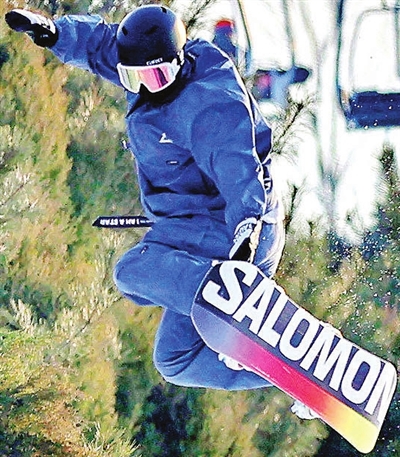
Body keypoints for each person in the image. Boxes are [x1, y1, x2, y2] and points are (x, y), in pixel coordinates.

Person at [5, 5, 287, 393]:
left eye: (155, 77)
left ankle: (235, 302)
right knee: (175, 359)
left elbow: (236, 169)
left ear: (179, 62)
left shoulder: (209, 103)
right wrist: (54, 33)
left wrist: (246, 229)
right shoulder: (146, 73)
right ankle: (286, 376)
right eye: (131, 78)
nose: (144, 89)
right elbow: (101, 44)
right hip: (192, 225)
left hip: (233, 226)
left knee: (132, 270)